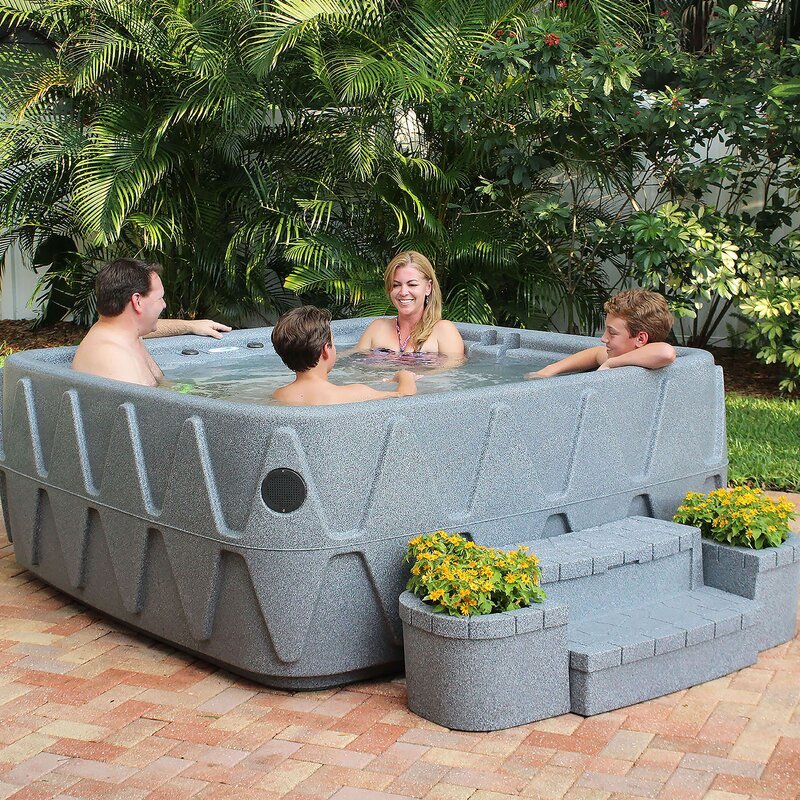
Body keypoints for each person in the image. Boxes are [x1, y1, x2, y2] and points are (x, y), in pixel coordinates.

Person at [71, 258, 232, 386]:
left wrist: (190, 325)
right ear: (137, 301)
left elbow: (152, 326)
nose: (164, 304)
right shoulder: (117, 363)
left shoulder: (123, 332)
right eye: (159, 298)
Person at [272, 306, 417, 406]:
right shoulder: (354, 393)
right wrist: (405, 377)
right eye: (333, 343)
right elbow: (404, 399)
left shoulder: (279, 395)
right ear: (325, 350)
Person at [526, 289, 676, 379]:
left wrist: (611, 363)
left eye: (612, 332)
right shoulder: (626, 356)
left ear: (641, 338)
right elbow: (595, 353)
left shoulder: (652, 356)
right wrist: (550, 370)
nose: (604, 338)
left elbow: (666, 352)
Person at [356, 251, 465, 357]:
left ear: (428, 287)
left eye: (412, 285)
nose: (403, 292)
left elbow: (454, 369)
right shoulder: (377, 328)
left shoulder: (444, 331)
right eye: (396, 285)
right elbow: (353, 363)